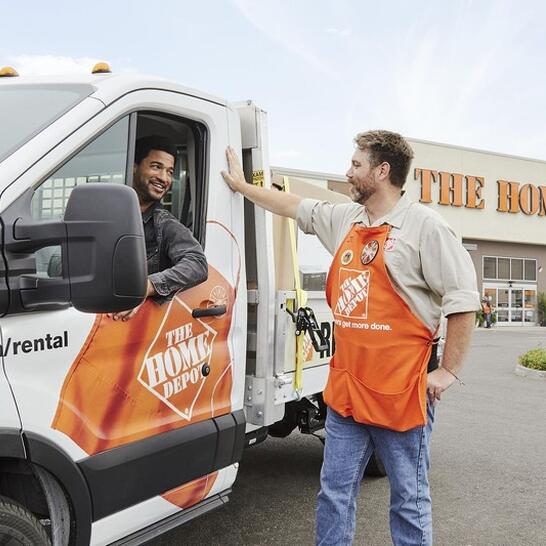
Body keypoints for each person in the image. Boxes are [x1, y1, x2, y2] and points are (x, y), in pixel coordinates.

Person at [221, 131, 480, 546]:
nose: (348, 172)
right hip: (346, 395)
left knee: (409, 501)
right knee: (334, 494)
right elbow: (291, 205)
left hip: (400, 396)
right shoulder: (346, 220)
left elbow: (463, 300)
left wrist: (448, 370)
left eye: (357, 165)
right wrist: (243, 186)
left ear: (382, 171)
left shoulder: (425, 227)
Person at [110, 135, 208, 321]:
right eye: (156, 167)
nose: (164, 178)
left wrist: (147, 286)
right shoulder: (105, 215)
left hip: (138, 327)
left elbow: (197, 263)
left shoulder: (165, 224)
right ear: (133, 167)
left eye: (169, 172)